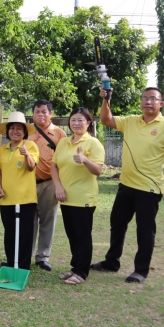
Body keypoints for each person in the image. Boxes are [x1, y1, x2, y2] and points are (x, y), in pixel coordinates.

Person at [91, 87, 164, 283]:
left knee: (144, 231)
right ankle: (112, 262)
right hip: (126, 185)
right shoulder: (131, 121)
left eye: (153, 99)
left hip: (149, 189)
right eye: (145, 98)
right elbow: (106, 120)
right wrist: (106, 99)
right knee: (117, 224)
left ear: (161, 103)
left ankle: (141, 270)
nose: (148, 102)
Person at [51, 107, 105, 285]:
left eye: (81, 120)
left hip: (84, 198)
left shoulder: (93, 143)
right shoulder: (63, 142)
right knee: (72, 235)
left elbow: (98, 170)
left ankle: (82, 272)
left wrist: (85, 160)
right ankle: (75, 267)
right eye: (73, 119)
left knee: (82, 236)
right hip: (65, 196)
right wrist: (58, 186)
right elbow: (54, 166)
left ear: (88, 123)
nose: (76, 123)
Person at [0, 111, 40, 270]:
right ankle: (10, 260)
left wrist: (26, 154)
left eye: (19, 128)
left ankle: (23, 266)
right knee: (10, 233)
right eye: (12, 128)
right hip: (6, 198)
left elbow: (30, 167)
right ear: (7, 131)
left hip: (26, 199)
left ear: (25, 132)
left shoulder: (31, 146)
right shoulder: (3, 149)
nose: (15, 131)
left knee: (25, 234)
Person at [27, 100, 68, 271]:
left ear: (51, 114)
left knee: (47, 220)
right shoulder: (26, 132)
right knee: (29, 221)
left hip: (49, 182)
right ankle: (25, 254)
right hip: (27, 183)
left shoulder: (60, 134)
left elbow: (64, 160)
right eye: (37, 111)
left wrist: (60, 185)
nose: (41, 115)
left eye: (44, 111)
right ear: (33, 114)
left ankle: (42, 256)